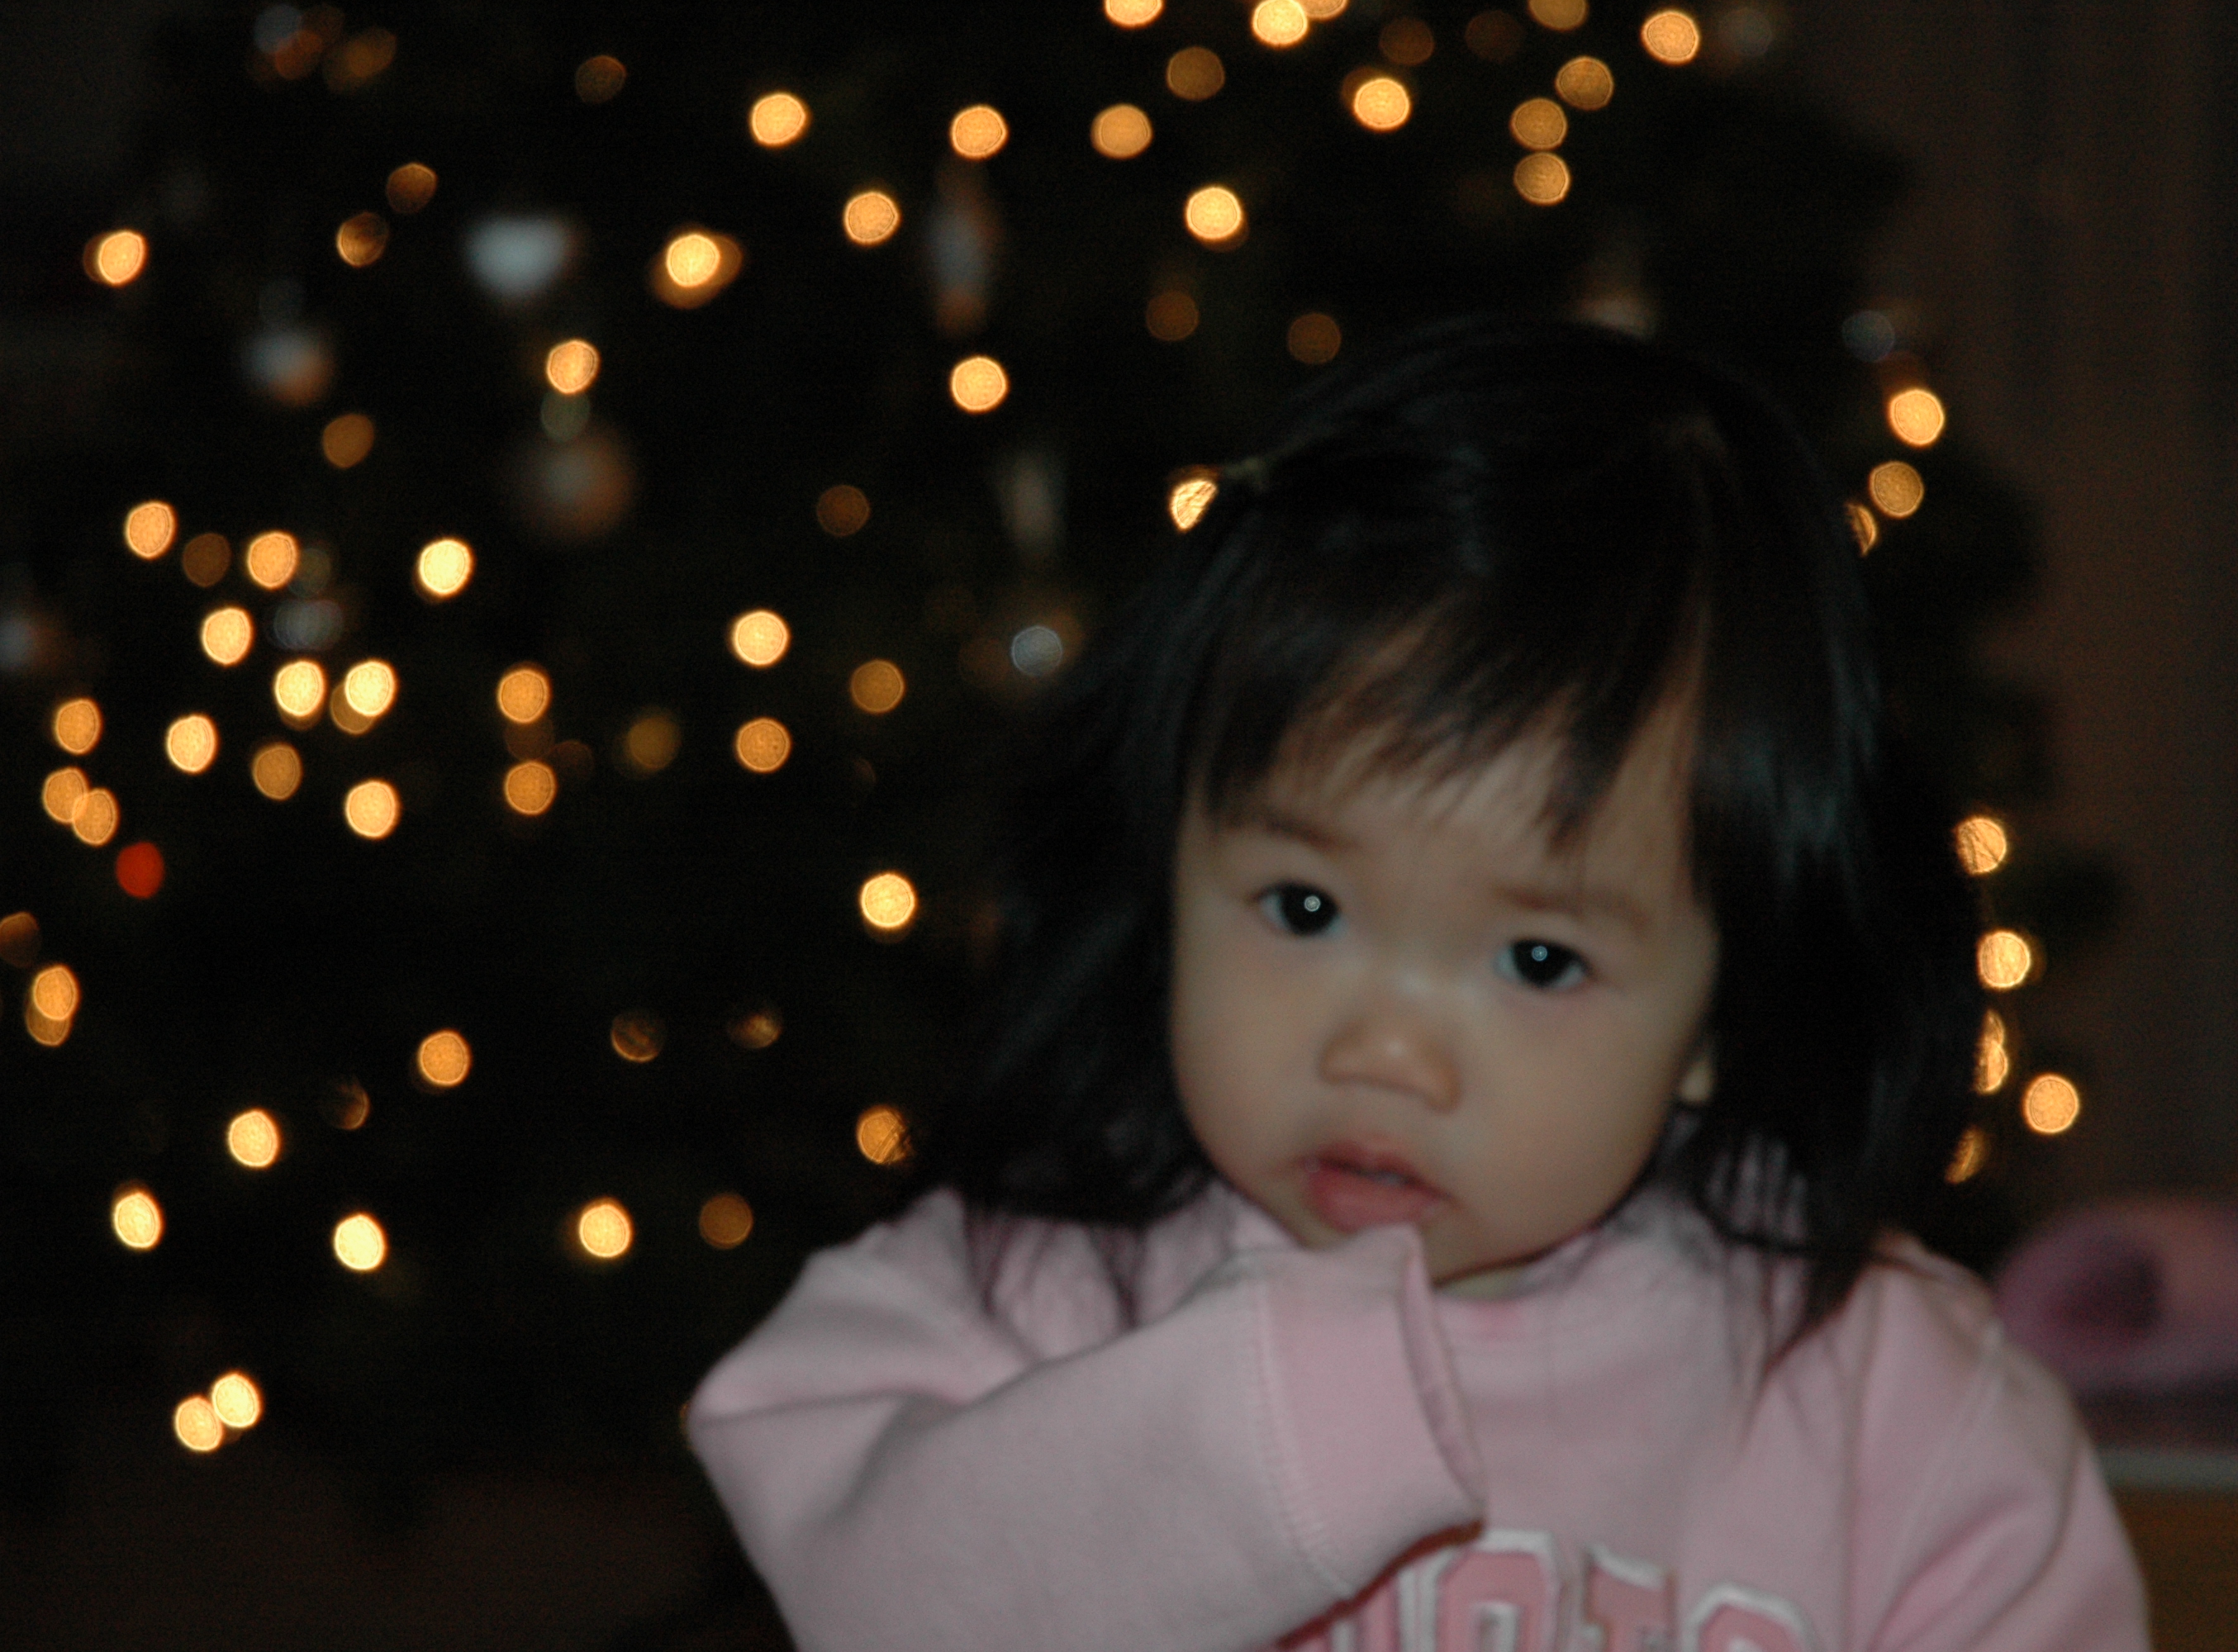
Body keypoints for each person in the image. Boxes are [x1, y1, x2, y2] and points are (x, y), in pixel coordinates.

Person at [689, 318, 2148, 1650]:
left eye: (1539, 960)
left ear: (1721, 1011)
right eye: (1304, 908)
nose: (1385, 1051)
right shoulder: (1030, 1291)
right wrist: (1280, 1419)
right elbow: (857, 1586)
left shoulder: (1890, 1400)